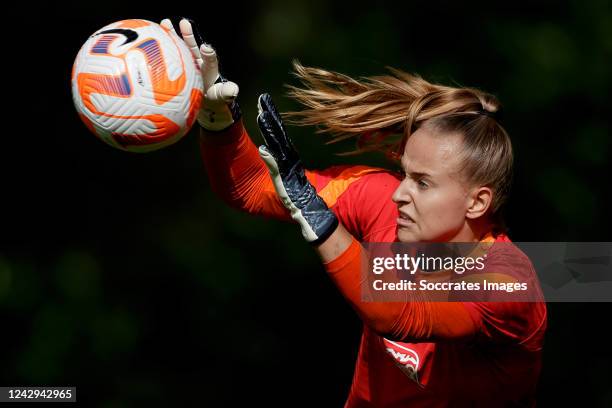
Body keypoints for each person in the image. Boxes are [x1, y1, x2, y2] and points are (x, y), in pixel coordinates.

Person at [163, 18, 547, 407]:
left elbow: (400, 315)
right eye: (404, 174)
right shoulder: (381, 202)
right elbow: (248, 188)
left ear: (477, 203)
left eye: (423, 183)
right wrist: (216, 116)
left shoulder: (508, 280)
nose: (399, 193)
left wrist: (318, 218)